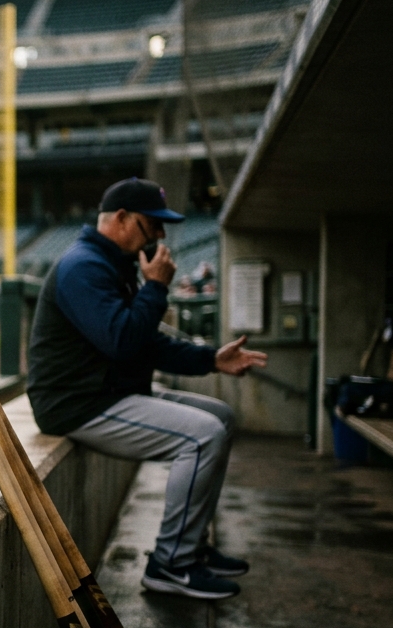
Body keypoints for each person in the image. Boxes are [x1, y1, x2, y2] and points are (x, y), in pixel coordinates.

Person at [26, 178, 267, 601]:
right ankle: (171, 565)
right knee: (202, 436)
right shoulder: (83, 266)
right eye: (152, 224)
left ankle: (191, 546)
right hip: (78, 403)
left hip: (110, 392)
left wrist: (211, 359)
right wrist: (155, 287)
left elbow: (145, 342)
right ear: (120, 220)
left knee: (222, 419)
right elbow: (123, 340)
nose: (160, 235)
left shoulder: (112, 265)